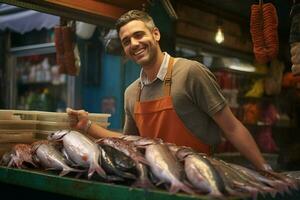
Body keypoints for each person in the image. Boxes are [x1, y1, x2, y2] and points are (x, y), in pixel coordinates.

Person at [67, 10, 271, 171]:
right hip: (156, 181)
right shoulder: (131, 92)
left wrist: (264, 169)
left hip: (200, 180)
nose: (134, 44)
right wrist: (88, 126)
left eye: (139, 35)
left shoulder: (191, 72)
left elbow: (232, 127)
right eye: (126, 41)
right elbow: (129, 142)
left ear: (155, 34)